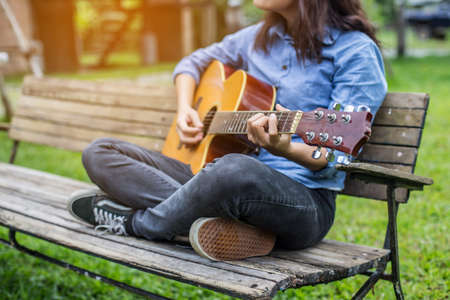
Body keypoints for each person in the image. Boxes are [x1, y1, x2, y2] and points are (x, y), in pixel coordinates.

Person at [68, 0, 387, 261]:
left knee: (234, 170)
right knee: (100, 152)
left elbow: (333, 156)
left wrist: (285, 148)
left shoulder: (355, 52)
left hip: (304, 202)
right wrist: (185, 110)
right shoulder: (255, 39)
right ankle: (222, 224)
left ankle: (138, 223)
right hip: (217, 180)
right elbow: (191, 64)